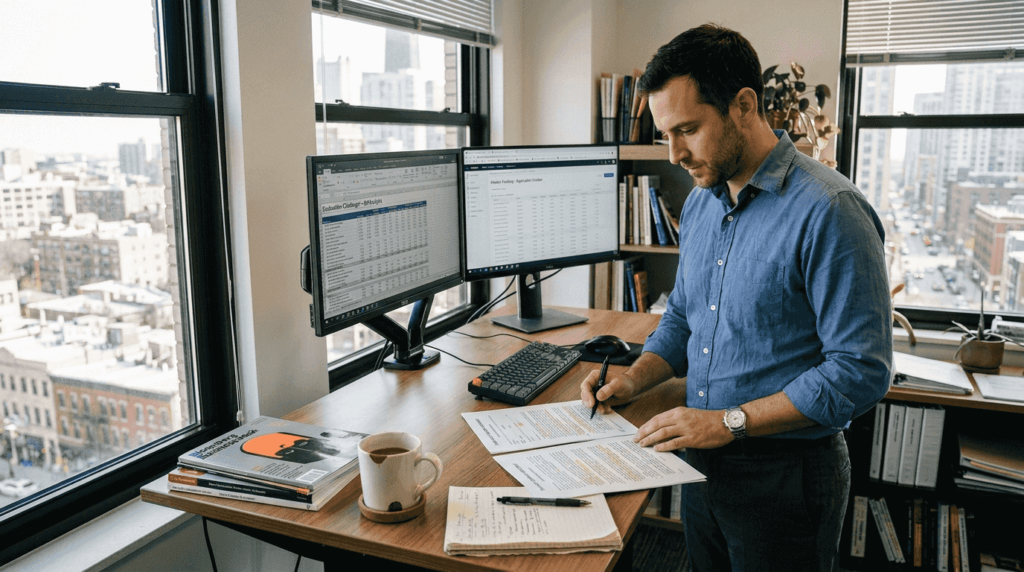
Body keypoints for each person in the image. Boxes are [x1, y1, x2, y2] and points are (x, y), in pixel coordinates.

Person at [581, 24, 892, 572]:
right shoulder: (702, 201)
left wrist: (728, 422)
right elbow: (683, 316)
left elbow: (860, 371)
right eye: (664, 134)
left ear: (744, 105)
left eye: (688, 130)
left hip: (787, 477)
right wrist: (637, 376)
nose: (674, 153)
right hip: (705, 461)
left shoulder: (831, 210)